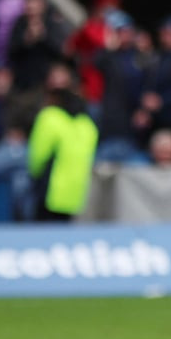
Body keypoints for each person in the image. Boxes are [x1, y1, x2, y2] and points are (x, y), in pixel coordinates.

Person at [27, 62, 98, 221]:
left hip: (49, 192)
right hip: (75, 194)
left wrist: (34, 176)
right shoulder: (87, 125)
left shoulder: (49, 117)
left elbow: (37, 158)